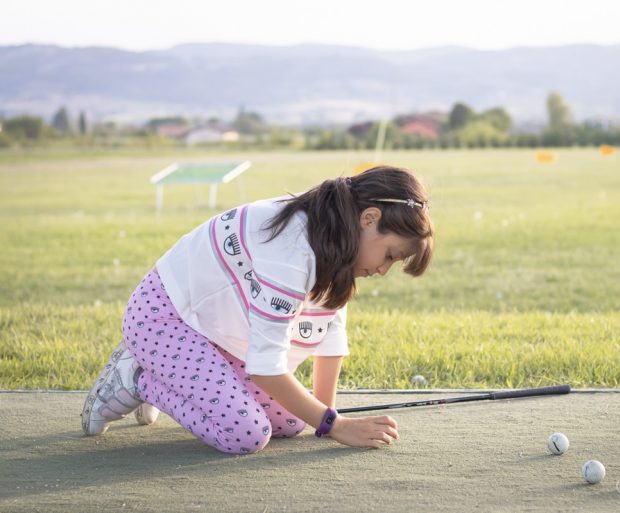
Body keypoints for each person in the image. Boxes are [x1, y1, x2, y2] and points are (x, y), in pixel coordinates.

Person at [80, 166, 434, 454]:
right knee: (244, 433)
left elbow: (330, 332)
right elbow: (266, 368)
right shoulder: (292, 249)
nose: (384, 270)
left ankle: (165, 375)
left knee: (295, 420)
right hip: (162, 320)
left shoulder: (332, 237)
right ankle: (138, 377)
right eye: (390, 255)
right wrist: (336, 426)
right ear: (369, 218)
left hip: (210, 332)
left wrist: (325, 418)